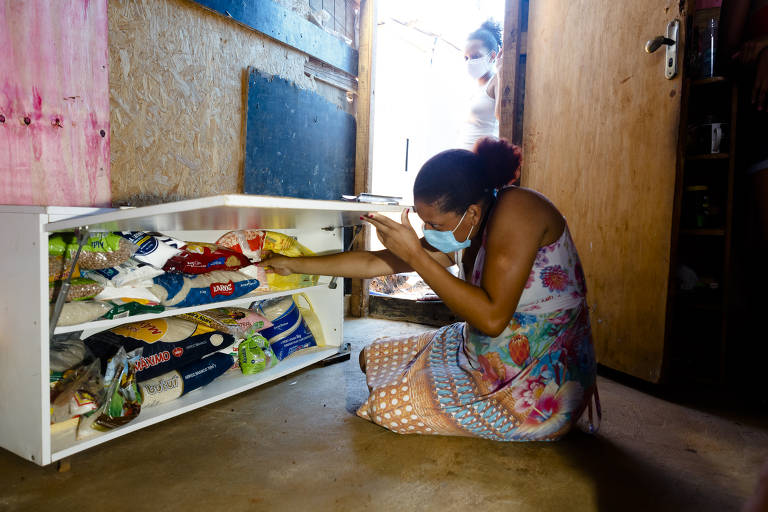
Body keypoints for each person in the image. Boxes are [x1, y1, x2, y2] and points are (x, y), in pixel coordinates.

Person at [260, 138, 599, 441]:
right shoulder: (470, 226)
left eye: (435, 224)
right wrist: (294, 264)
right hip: (480, 349)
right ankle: (445, 378)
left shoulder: (519, 211)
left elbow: (493, 318)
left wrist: (416, 255)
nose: (427, 231)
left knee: (387, 407)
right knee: (371, 358)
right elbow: (373, 264)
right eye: (424, 222)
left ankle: (487, 402)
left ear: (472, 212)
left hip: (535, 380)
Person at [459, 21, 503, 150]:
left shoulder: (496, 80)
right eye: (466, 58)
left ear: (492, 56)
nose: (470, 62)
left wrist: (501, 71)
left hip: (483, 162)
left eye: (475, 56)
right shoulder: (473, 87)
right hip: (465, 161)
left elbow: (503, 117)